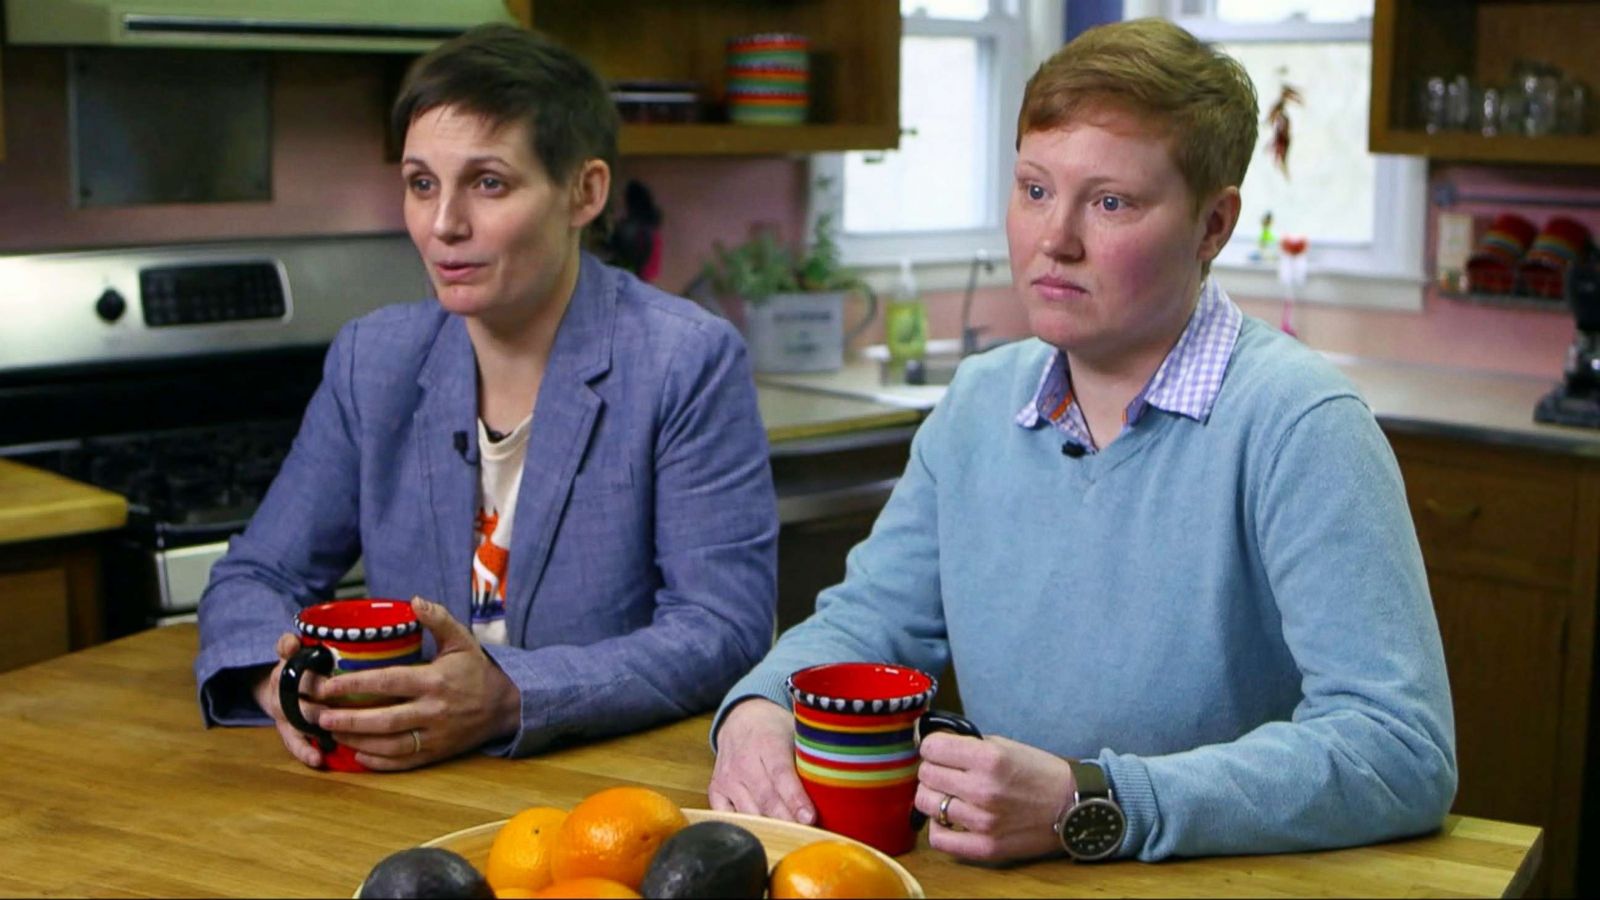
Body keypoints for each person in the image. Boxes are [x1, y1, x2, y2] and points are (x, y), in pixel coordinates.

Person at [708, 18, 1456, 863]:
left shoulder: (1300, 424)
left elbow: (1399, 752)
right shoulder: (979, 403)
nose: (1053, 239)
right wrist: (760, 708)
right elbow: (867, 623)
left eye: (1110, 203)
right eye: (1033, 189)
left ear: (1213, 226)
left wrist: (1093, 800)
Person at [194, 24, 777, 771]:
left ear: (585, 192)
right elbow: (258, 577)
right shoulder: (374, 360)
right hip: (395, 785)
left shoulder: (684, 361)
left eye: (489, 182)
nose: (444, 226)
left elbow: (722, 629)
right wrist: (280, 685)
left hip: (600, 786)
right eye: (421, 184)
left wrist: (509, 695)